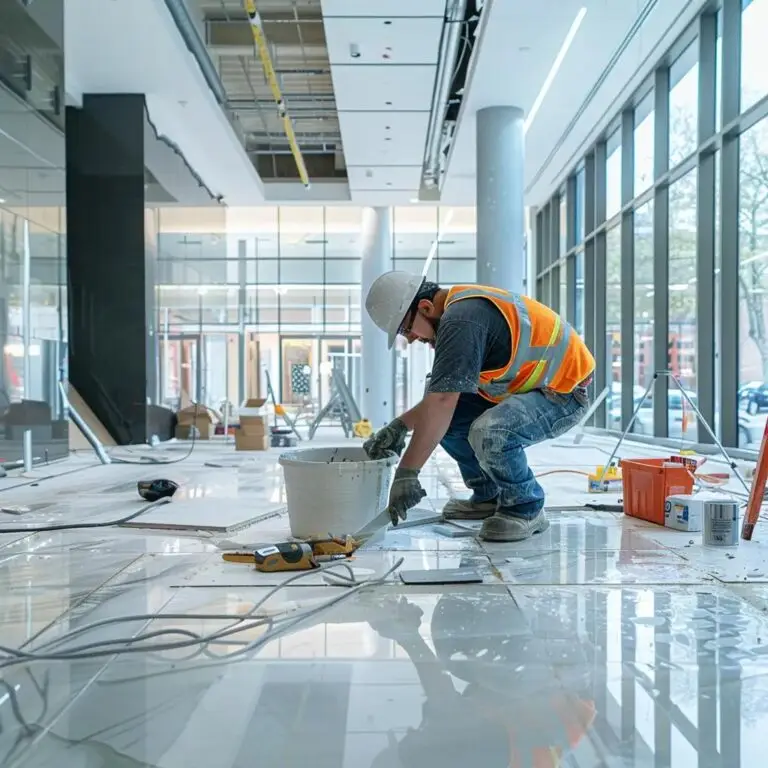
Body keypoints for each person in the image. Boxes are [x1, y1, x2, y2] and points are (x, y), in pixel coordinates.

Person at [363, 272, 595, 542]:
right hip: (529, 389)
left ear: (425, 307)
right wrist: (400, 426)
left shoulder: (462, 320)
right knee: (449, 420)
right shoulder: (457, 315)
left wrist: (407, 473)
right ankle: (488, 495)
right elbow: (441, 398)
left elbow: (442, 402)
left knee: (491, 432)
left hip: (563, 393)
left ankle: (526, 507)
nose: (412, 339)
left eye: (406, 330)